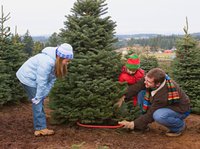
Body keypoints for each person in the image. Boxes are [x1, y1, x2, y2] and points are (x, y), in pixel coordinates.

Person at [16, 43, 73, 137]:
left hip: (36, 79)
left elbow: (51, 81)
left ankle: (40, 119)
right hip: (27, 78)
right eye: (67, 61)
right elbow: (41, 81)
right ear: (60, 57)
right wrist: (38, 96)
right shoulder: (47, 62)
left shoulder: (56, 61)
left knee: (39, 99)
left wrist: (44, 94)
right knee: (37, 101)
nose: (67, 63)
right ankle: (40, 128)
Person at [118, 68, 190, 137]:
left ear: (158, 84)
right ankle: (142, 124)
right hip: (164, 103)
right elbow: (137, 86)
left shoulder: (163, 94)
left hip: (180, 109)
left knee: (158, 115)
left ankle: (179, 126)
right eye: (145, 79)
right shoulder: (151, 78)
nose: (145, 82)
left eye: (148, 82)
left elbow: (151, 114)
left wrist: (132, 124)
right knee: (141, 93)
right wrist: (123, 95)